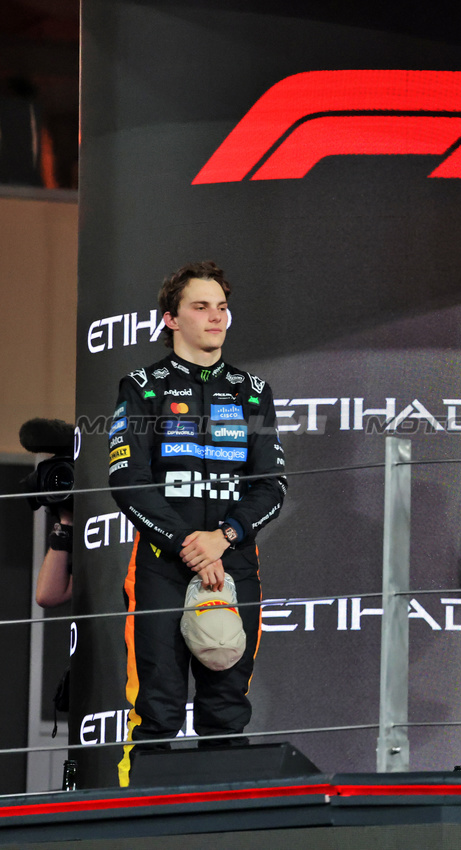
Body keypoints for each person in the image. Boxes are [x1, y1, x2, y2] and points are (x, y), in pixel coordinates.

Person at [109, 261, 287, 786]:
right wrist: (189, 543)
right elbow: (127, 479)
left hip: (233, 566)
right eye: (201, 306)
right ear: (171, 319)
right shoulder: (142, 386)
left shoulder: (252, 389)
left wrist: (223, 538)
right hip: (163, 566)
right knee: (157, 708)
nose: (216, 317)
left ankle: (228, 828)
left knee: (227, 708)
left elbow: (271, 484)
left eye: (222, 307)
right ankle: (137, 829)